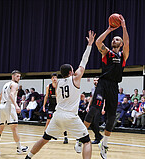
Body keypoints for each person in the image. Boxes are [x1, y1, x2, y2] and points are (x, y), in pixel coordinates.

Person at [25, 30, 95, 159]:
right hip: (70, 116)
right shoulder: (75, 79)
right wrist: (89, 44)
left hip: (57, 115)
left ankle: (28, 156)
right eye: (73, 70)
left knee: (44, 138)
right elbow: (84, 61)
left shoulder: (57, 84)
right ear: (70, 72)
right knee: (86, 141)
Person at [84, 15, 129, 159]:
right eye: (114, 39)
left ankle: (104, 145)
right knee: (94, 109)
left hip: (114, 86)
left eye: (118, 39)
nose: (115, 40)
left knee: (111, 118)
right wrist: (109, 29)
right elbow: (98, 42)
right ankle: (81, 138)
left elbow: (127, 41)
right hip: (103, 83)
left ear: (120, 44)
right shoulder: (107, 53)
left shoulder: (123, 55)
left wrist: (123, 27)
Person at [0, 70, 28, 155]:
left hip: (2, 106)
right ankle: (19, 148)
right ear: (13, 76)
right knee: (14, 128)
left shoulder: (5, 84)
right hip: (9, 106)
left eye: (19, 76)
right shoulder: (15, 84)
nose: (19, 78)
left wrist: (0, 107)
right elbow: (11, 95)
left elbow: (0, 97)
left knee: (0, 128)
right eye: (17, 76)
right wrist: (17, 106)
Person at [42, 73, 68, 144]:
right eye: (53, 77)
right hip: (51, 105)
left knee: (62, 121)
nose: (54, 79)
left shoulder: (60, 85)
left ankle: (65, 137)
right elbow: (46, 96)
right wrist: (44, 106)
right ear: (51, 79)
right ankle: (44, 135)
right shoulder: (48, 86)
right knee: (48, 121)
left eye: (55, 77)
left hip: (59, 105)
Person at [86, 77, 105, 144]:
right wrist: (88, 106)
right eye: (94, 80)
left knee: (95, 122)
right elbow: (91, 97)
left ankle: (97, 138)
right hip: (93, 106)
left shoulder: (102, 88)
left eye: (97, 80)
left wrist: (103, 108)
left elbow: (105, 99)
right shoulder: (93, 88)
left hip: (99, 106)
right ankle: (99, 135)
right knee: (90, 123)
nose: (96, 81)